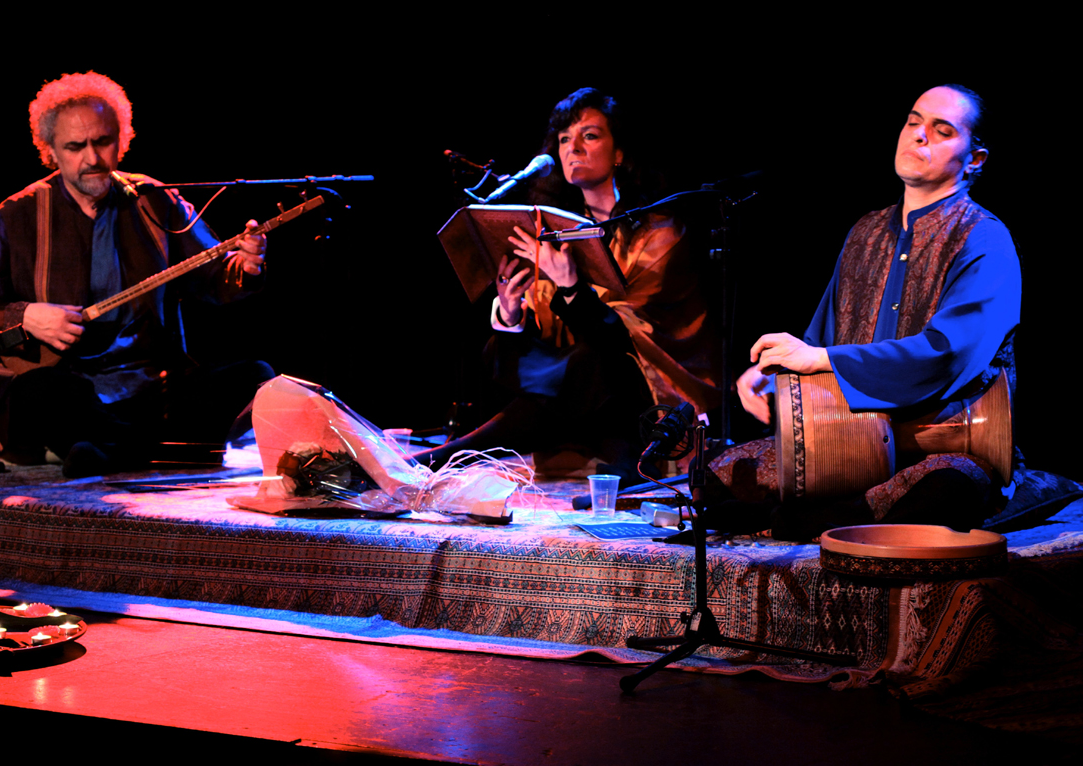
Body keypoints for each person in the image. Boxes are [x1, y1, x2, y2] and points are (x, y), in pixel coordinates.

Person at [714, 84, 1020, 539]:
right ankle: (823, 518)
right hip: (848, 443)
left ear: (974, 159)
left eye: (941, 130)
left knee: (948, 492)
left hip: (943, 445)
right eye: (913, 122)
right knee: (721, 476)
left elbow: (946, 353)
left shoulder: (983, 240)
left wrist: (819, 360)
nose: (919, 136)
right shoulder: (866, 232)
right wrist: (773, 372)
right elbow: (821, 340)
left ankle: (821, 519)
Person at [0, 72, 274, 477]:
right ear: (51, 152)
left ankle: (112, 453)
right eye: (75, 147)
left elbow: (212, 278)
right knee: (38, 392)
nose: (92, 159)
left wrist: (245, 266)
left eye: (102, 142)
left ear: (122, 138)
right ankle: (154, 449)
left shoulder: (153, 199)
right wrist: (24, 316)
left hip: (148, 387)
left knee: (252, 375)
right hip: (69, 390)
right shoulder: (19, 214)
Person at [418, 88, 720, 481]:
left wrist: (572, 289)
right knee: (523, 353)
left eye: (589, 136)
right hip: (577, 395)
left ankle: (445, 459)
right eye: (563, 140)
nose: (572, 148)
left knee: (586, 362)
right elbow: (544, 342)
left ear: (618, 153)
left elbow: (623, 341)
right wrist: (511, 313)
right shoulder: (552, 231)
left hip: (645, 393)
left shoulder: (659, 232)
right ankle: (454, 455)